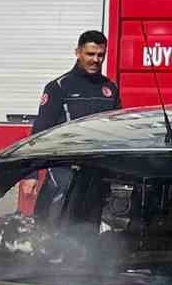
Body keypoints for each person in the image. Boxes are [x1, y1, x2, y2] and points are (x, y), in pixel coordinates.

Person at [31, 31, 121, 215]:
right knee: (53, 227)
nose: (95, 60)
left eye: (100, 55)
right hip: (63, 172)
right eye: (90, 54)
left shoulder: (110, 89)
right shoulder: (58, 87)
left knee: (88, 230)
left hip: (96, 174)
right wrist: (31, 175)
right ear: (78, 52)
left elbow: (118, 130)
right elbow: (39, 131)